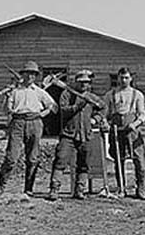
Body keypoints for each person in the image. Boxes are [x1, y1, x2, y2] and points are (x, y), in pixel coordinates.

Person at [0, 61, 57, 196]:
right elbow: (6, 110)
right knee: (12, 157)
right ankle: (1, 185)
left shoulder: (39, 92)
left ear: (35, 77)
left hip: (35, 122)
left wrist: (42, 114)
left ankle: (29, 188)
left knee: (32, 158)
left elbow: (52, 106)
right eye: (28, 73)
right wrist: (6, 97)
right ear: (23, 75)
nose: (30, 77)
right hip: (18, 123)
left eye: (33, 74)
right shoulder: (15, 91)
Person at [48, 70, 106, 201]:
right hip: (68, 134)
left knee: (84, 163)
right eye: (81, 82)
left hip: (86, 134)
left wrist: (95, 119)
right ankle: (54, 189)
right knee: (61, 160)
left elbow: (103, 107)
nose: (83, 85)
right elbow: (63, 111)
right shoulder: (66, 95)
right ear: (76, 82)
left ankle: (80, 190)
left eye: (86, 82)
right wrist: (76, 107)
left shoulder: (92, 97)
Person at [104, 67, 145, 200]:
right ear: (117, 78)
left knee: (139, 159)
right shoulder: (110, 95)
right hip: (117, 131)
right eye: (121, 78)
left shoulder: (137, 94)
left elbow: (142, 114)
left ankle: (140, 188)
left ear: (131, 78)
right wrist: (106, 123)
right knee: (118, 159)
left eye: (126, 78)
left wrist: (135, 124)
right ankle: (121, 188)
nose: (124, 80)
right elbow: (105, 114)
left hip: (132, 130)